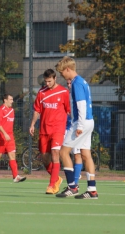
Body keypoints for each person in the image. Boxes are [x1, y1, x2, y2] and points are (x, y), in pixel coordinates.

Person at [55, 56, 98, 199]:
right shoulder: (81, 82)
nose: (61, 75)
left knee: (63, 152)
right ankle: (92, 190)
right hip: (89, 121)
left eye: (62, 72)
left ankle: (72, 187)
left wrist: (79, 125)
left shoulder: (77, 83)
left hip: (81, 122)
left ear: (68, 69)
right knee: (86, 154)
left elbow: (81, 105)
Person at [29, 69, 70, 194]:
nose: (47, 83)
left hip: (58, 129)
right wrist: (32, 124)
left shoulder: (64, 92)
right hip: (44, 130)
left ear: (55, 78)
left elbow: (69, 110)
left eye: (49, 81)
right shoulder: (41, 93)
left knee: (55, 153)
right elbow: (37, 110)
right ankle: (56, 178)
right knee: (45, 158)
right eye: (46, 81)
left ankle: (51, 185)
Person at [0, 94, 26, 183]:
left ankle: (15, 176)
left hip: (10, 137)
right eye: (10, 99)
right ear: (5, 100)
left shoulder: (12, 110)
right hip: (1, 137)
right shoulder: (0, 110)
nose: (12, 101)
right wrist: (4, 134)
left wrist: (9, 134)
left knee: (12, 156)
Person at [66, 80, 83, 185]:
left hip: (74, 127)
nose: (69, 85)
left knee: (77, 154)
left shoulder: (78, 95)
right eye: (67, 83)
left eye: (70, 83)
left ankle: (75, 182)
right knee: (60, 153)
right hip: (63, 128)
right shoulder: (64, 94)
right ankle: (73, 178)